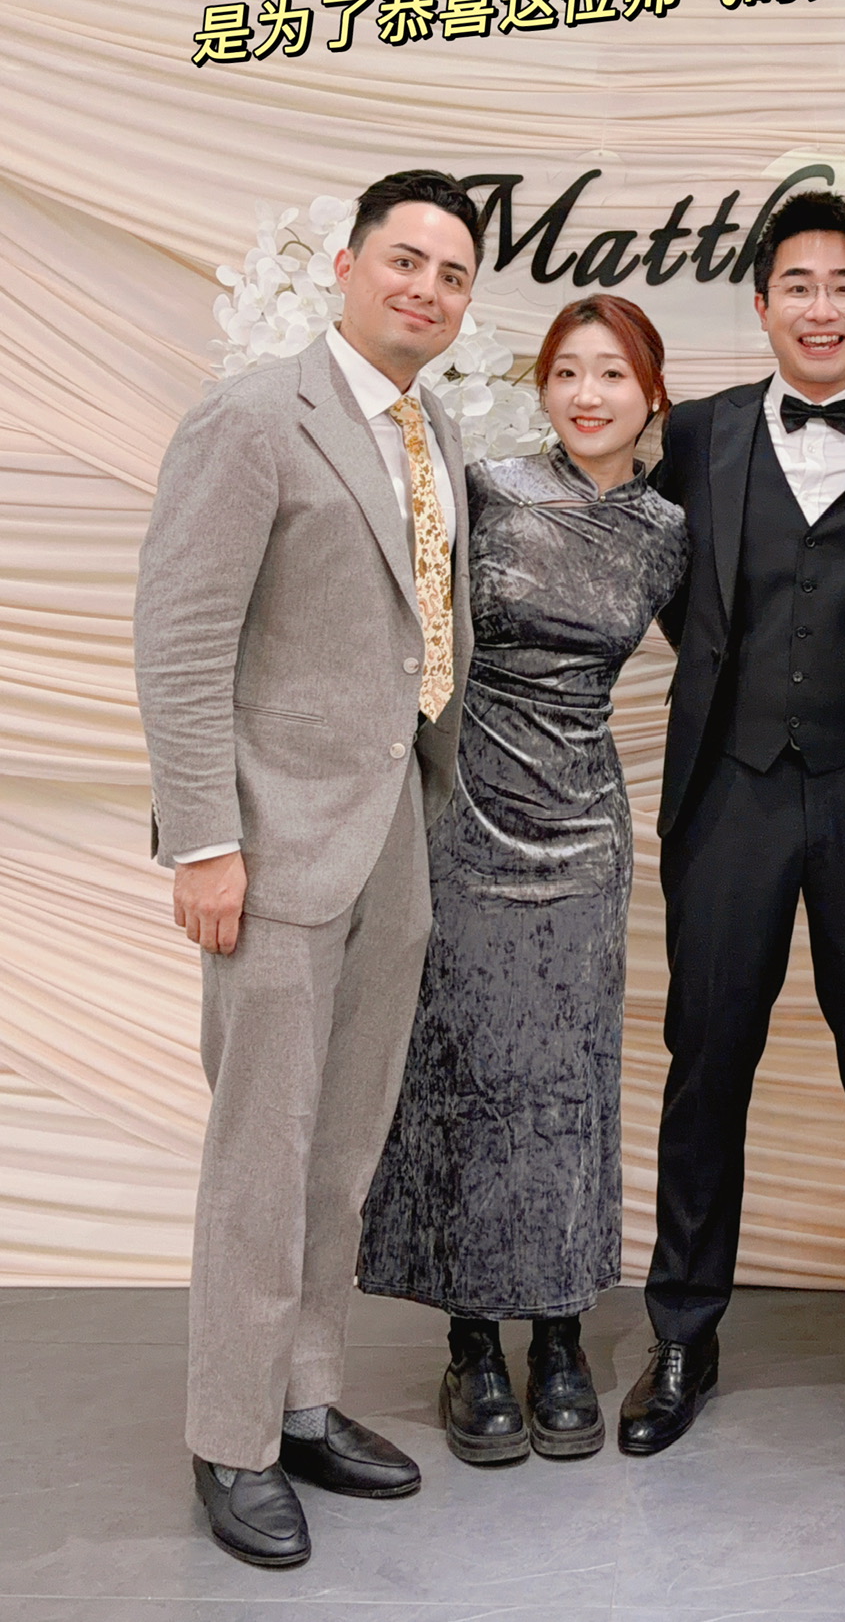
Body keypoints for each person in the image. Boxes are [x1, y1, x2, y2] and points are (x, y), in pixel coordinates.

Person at [133, 169, 479, 1568]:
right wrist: (206, 840)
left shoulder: (433, 430)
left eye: (452, 273)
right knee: (260, 1157)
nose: (426, 289)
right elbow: (180, 638)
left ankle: (305, 1397)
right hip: (269, 845)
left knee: (341, 1148)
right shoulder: (251, 416)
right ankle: (230, 1437)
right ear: (347, 266)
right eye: (406, 260)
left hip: (393, 832)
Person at [617, 189, 845, 1456]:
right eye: (799, 287)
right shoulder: (695, 436)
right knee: (708, 1060)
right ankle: (682, 1334)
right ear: (761, 305)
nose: (822, 308)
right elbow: (664, 583)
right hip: (733, 788)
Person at [358, 295, 687, 1465]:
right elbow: (398, 626)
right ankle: (470, 1343)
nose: (588, 394)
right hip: (465, 818)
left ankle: (557, 1335)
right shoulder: (484, 488)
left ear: (652, 394)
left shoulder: (669, 531)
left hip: (585, 832)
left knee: (566, 1089)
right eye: (567, 371)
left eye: (612, 373)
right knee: (465, 1078)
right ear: (542, 386)